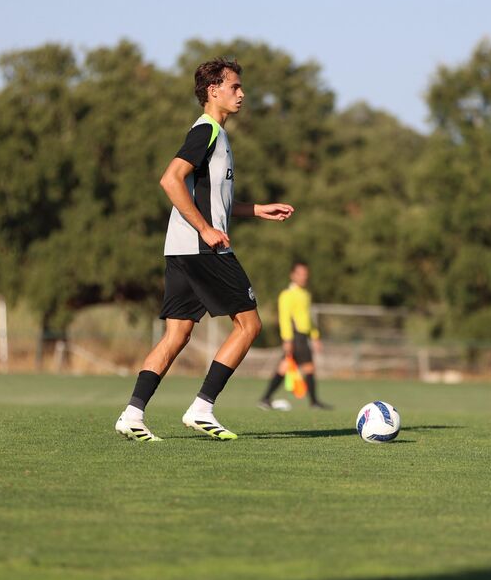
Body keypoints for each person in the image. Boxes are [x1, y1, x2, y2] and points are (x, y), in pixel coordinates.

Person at [114, 58, 295, 442]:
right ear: (213, 91)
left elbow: (212, 200)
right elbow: (170, 180)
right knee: (250, 325)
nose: (242, 94)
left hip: (180, 249)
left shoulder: (217, 135)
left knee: (176, 335)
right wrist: (206, 229)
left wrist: (254, 209)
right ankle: (202, 408)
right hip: (202, 248)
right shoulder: (207, 131)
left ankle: (132, 414)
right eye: (235, 87)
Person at [258, 260, 332, 410]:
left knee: (284, 367)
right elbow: (284, 318)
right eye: (300, 274)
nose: (303, 277)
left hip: (303, 336)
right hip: (295, 337)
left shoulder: (306, 294)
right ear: (292, 275)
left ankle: (265, 398)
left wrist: (315, 336)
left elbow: (308, 319)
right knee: (308, 368)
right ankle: (314, 402)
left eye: (305, 274)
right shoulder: (287, 295)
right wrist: (287, 339)